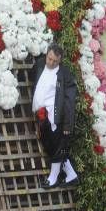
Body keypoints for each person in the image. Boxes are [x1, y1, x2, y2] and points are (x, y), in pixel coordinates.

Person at [32, 43, 79, 189]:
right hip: (41, 114)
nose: (51, 63)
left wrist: (67, 124)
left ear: (60, 60)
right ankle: (71, 175)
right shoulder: (39, 65)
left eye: (55, 61)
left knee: (56, 147)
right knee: (50, 145)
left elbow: (69, 100)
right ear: (47, 55)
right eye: (49, 59)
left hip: (55, 116)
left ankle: (53, 178)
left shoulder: (65, 75)